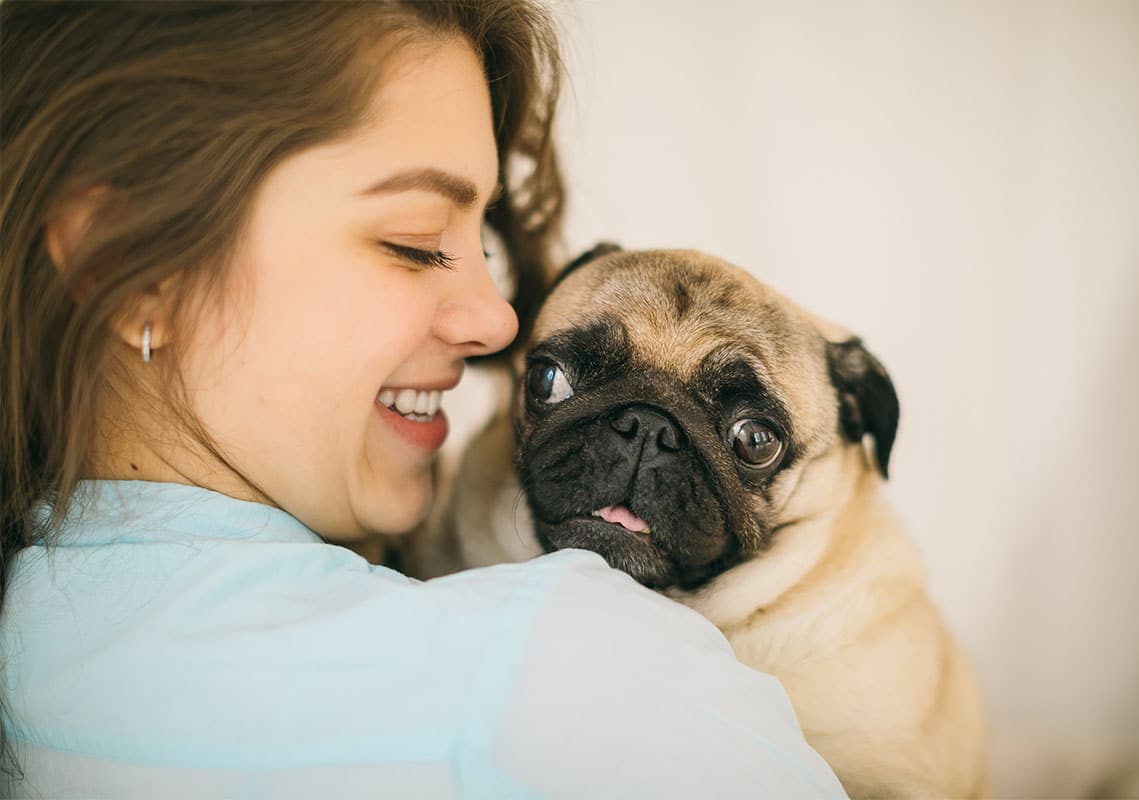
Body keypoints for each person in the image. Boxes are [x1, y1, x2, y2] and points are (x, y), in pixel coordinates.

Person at [0, 2, 847, 797]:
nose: (501, 321)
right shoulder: (588, 673)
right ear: (128, 265)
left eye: (480, 240)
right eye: (412, 243)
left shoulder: (34, 640)